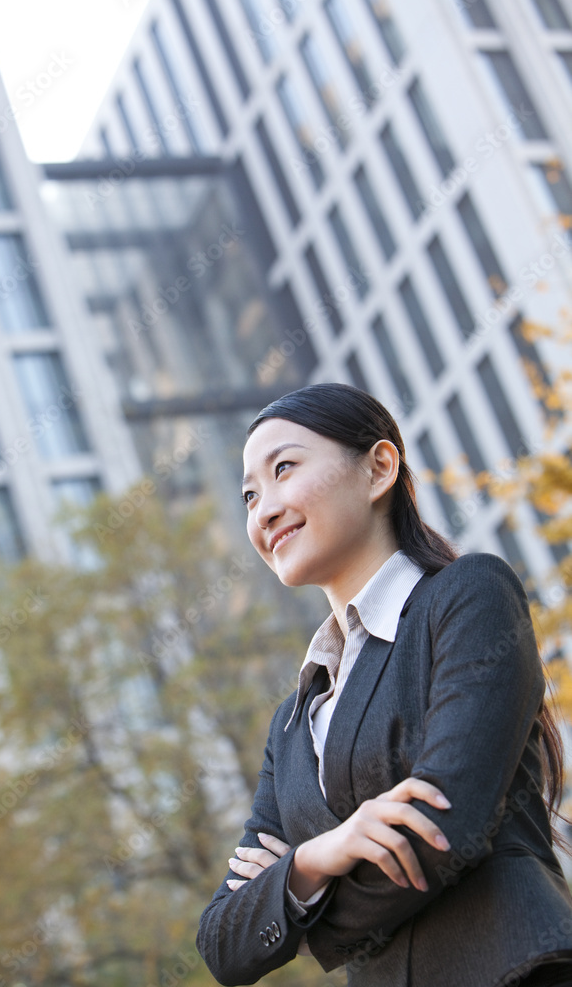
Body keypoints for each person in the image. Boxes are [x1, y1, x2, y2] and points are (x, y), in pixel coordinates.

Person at [196, 383, 572, 987]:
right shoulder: (293, 724)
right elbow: (223, 943)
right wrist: (319, 855)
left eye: (284, 468)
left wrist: (300, 906)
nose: (263, 510)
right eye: (248, 495)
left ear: (378, 469)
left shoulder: (467, 597)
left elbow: (446, 829)